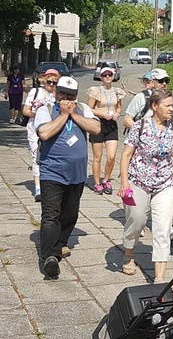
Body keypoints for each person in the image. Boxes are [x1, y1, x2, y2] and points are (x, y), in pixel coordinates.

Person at [35, 77, 100, 278]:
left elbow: (96, 128)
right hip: (52, 171)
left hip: (77, 173)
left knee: (70, 214)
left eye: (70, 95)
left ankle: (61, 243)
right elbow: (44, 133)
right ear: (56, 92)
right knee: (51, 215)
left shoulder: (82, 109)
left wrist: (73, 114)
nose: (66, 98)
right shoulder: (45, 108)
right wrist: (63, 115)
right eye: (62, 93)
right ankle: (50, 257)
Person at [118, 89, 173, 282]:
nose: (172, 109)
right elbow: (126, 155)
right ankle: (129, 252)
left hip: (165, 184)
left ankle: (160, 278)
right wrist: (124, 182)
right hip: (139, 181)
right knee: (137, 220)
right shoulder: (140, 126)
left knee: (163, 228)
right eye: (168, 106)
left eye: (172, 105)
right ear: (155, 107)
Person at [23, 68, 60, 202]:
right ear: (44, 80)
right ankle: (38, 187)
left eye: (54, 82)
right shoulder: (36, 92)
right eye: (49, 82)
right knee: (36, 156)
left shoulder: (59, 94)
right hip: (35, 129)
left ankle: (50, 184)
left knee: (51, 155)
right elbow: (26, 111)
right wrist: (38, 114)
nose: (51, 85)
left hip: (53, 128)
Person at [87, 67, 126, 194]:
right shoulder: (95, 91)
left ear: (113, 76)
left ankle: (106, 180)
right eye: (104, 75)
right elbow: (89, 109)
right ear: (101, 77)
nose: (107, 77)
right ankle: (97, 183)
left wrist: (117, 114)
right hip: (98, 124)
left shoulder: (117, 91)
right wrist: (103, 115)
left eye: (110, 75)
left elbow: (119, 107)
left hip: (112, 125)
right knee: (97, 157)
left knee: (111, 156)